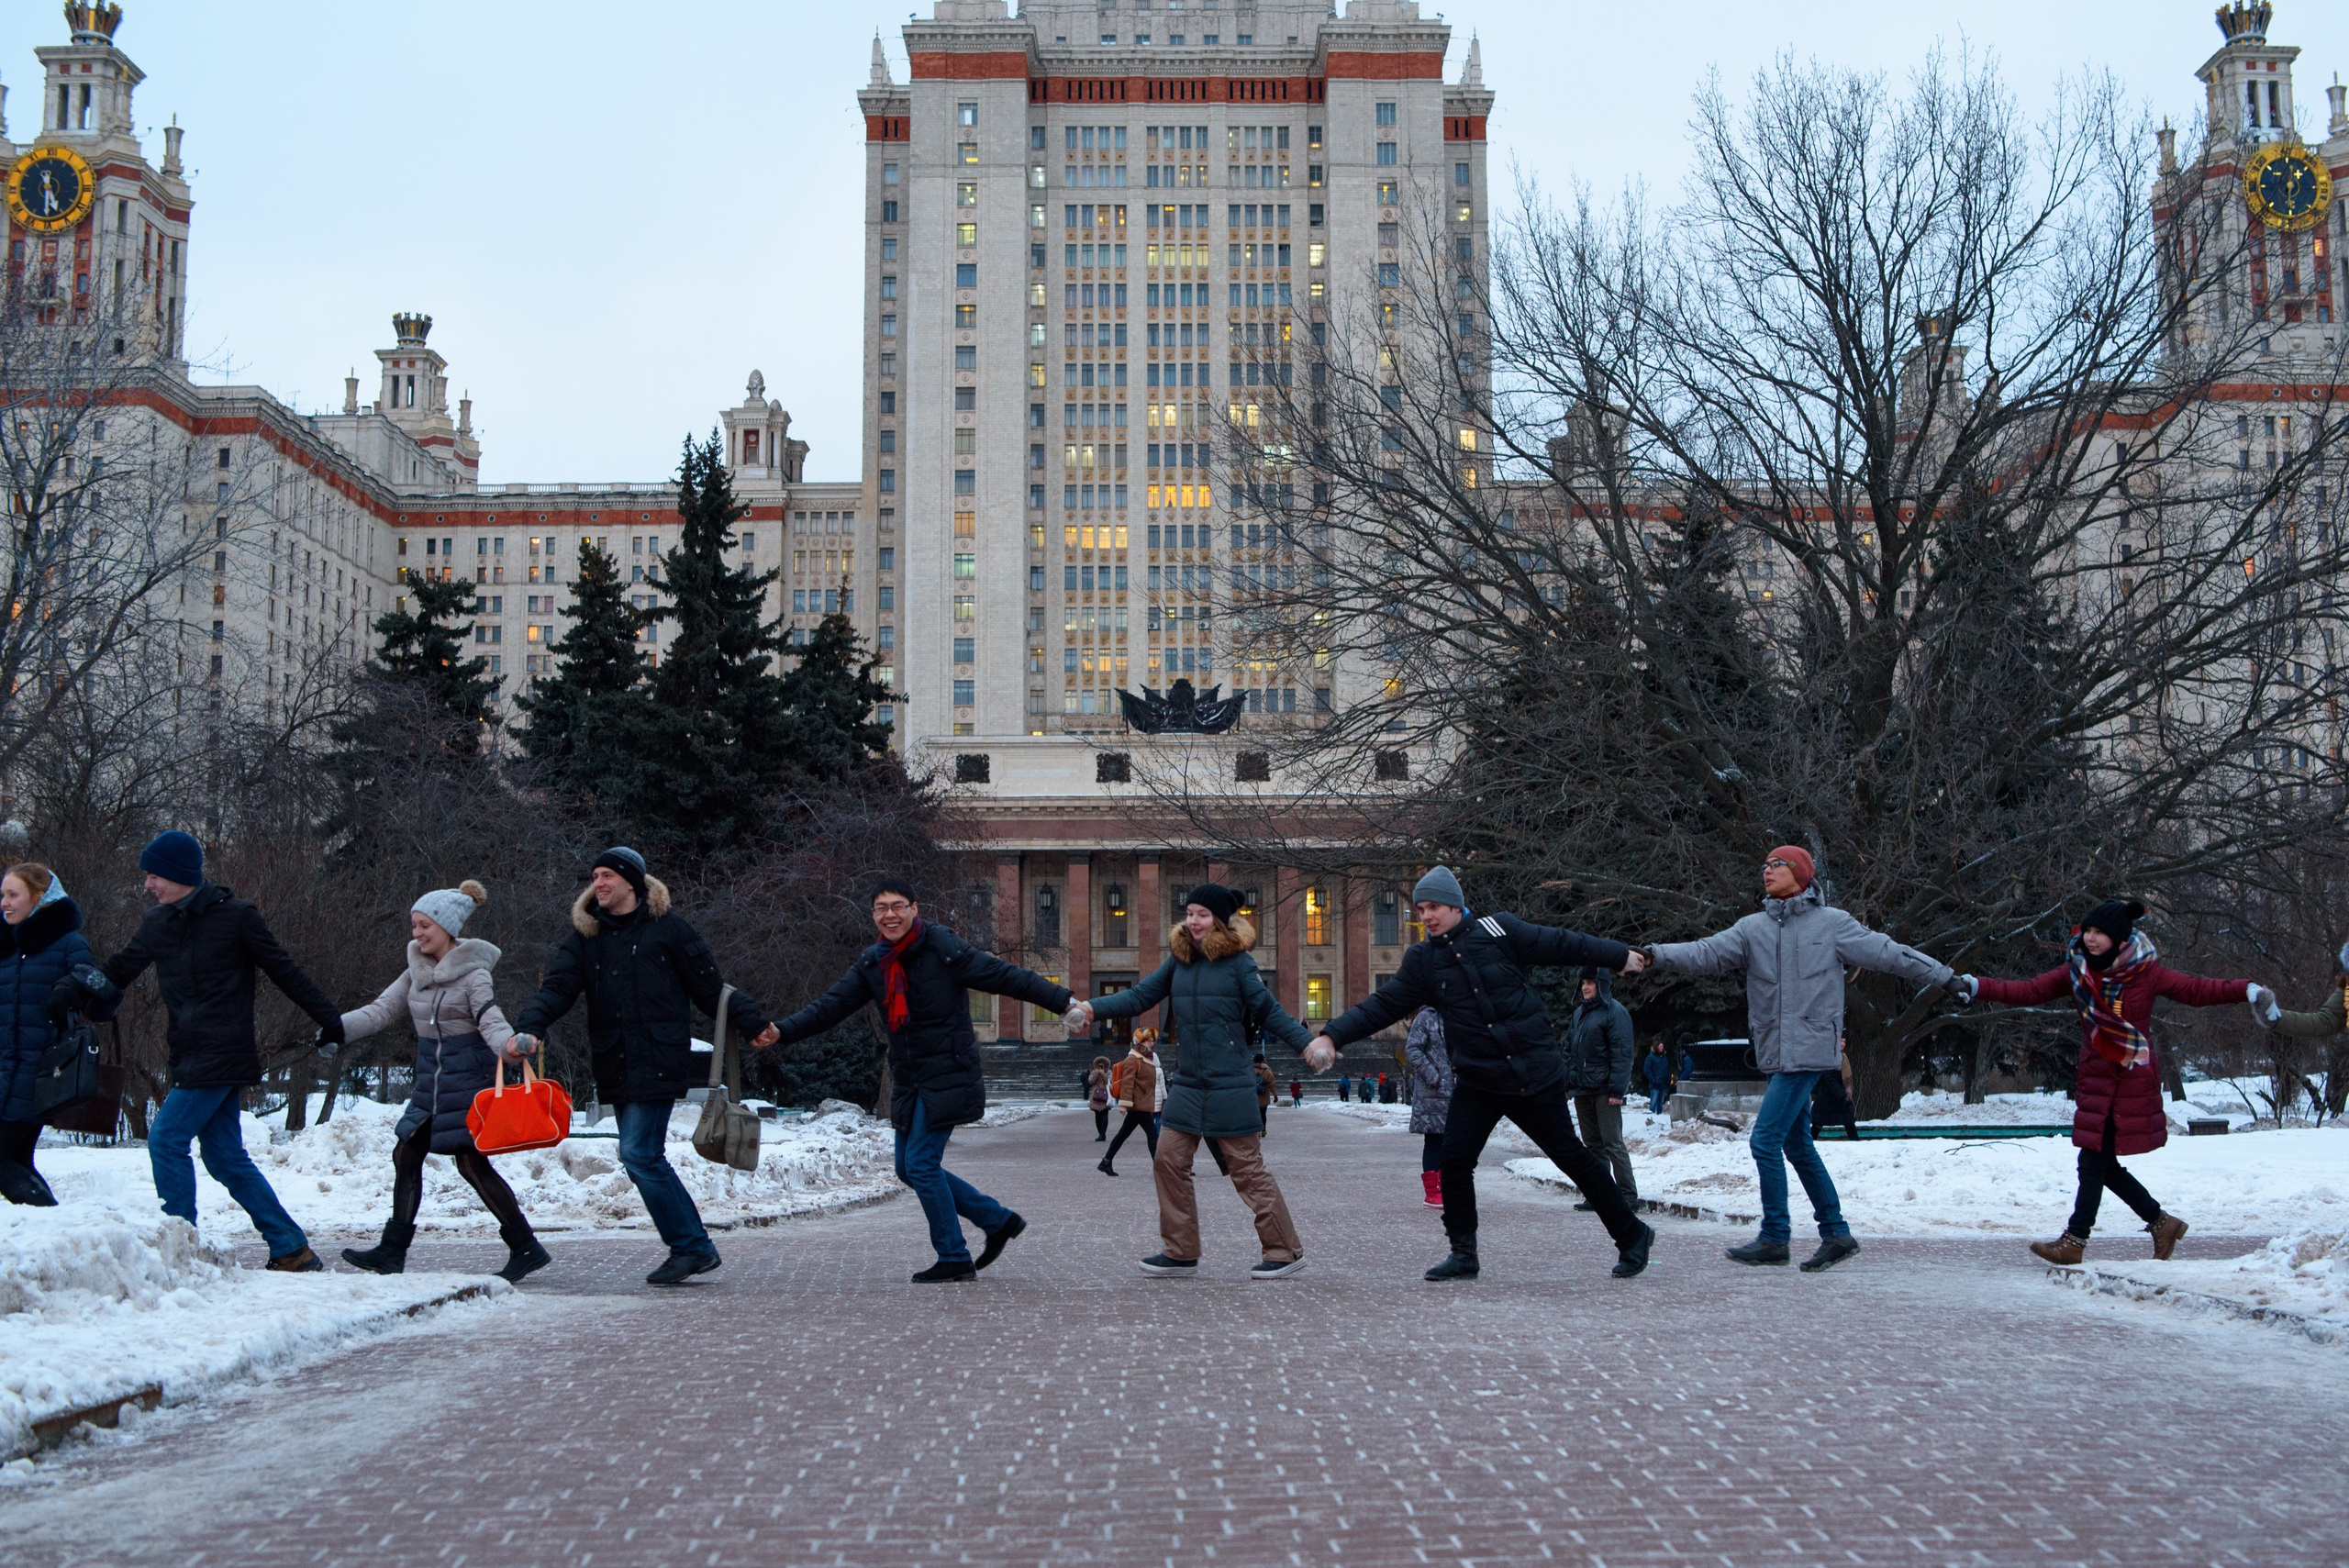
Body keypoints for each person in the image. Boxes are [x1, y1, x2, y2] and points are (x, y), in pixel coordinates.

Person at [1304, 866, 1656, 1283]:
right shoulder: (1423, 961)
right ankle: (1463, 1253)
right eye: (1420, 909)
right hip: (1478, 1080)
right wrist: (1331, 1036)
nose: (1426, 916)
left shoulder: (1498, 931)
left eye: (1433, 906)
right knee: (1454, 1161)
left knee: (1572, 1158)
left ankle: (1633, 1236)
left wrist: (1617, 956)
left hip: (1532, 1073)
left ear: (1455, 905)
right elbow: (1382, 1005)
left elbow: (1563, 943)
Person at [1642, 845, 1952, 1273]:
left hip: (1808, 1051)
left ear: (1801, 873)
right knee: (1796, 1144)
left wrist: (1947, 978)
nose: (1766, 871)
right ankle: (1836, 1233)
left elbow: (1890, 953)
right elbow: (1706, 953)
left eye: (1776, 865)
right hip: (1775, 1052)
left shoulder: (1832, 925)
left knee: (1764, 1140)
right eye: (1763, 864)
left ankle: (1775, 1237)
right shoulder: (1752, 929)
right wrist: (1656, 954)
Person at [773, 877, 1074, 1282]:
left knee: (921, 1164)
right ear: (874, 915)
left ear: (915, 908)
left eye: (898, 906)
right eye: (881, 908)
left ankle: (954, 1256)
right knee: (906, 1168)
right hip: (911, 1077)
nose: (890, 915)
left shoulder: (944, 950)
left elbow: (1006, 976)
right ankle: (996, 1219)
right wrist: (782, 1031)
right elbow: (830, 1007)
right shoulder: (874, 963)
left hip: (948, 1072)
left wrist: (1063, 1003)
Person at [510, 847, 776, 1287]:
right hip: (614, 1057)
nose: (598, 883)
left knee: (639, 1153)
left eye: (607, 876)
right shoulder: (585, 937)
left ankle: (692, 1247)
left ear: (631, 882)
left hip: (657, 1056)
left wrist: (751, 1021)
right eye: (594, 876)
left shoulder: (668, 929)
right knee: (640, 1155)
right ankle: (691, 1245)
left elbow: (710, 987)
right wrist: (531, 1027)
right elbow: (557, 987)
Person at [82, 832, 344, 1271]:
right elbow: (118, 970)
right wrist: (77, 989)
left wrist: (329, 1018)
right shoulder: (157, 923)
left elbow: (284, 970)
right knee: (225, 1157)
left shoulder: (235, 917)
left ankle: (179, 1248)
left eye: (153, 875)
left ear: (180, 874)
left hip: (223, 1052)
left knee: (166, 1139)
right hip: (186, 1052)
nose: (148, 884)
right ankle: (290, 1247)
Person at [1958, 900, 2267, 1265]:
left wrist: (2246, 989)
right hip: (2095, 1080)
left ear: (2119, 939)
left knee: (2093, 1163)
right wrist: (1978, 987)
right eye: (2087, 930)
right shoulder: (2076, 971)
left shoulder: (2147, 974)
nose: (2089, 938)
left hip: (2131, 1082)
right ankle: (2160, 1222)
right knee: (2100, 1165)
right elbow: (2028, 991)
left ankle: (2076, 1240)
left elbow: (2197, 990)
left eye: (2099, 932)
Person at [1072, 884, 1314, 1279]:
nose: (1193, 922)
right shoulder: (1178, 961)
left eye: (1202, 914)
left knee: (1247, 1171)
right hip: (1188, 1083)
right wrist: (1092, 1009)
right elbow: (1139, 996)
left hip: (1230, 1082)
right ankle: (1181, 1251)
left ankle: (1285, 1251)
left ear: (1218, 919)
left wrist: (1308, 1044)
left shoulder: (1240, 964)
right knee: (1167, 1160)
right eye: (1189, 913)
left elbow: (1270, 1012)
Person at [334, 881, 549, 1284]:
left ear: (446, 927)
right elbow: (380, 1011)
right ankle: (392, 1251)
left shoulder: (474, 975)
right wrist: (335, 1029)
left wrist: (511, 1046)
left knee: (469, 1162)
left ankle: (525, 1246)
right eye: (413, 926)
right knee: (407, 1153)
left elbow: (491, 1020)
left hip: (467, 1080)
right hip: (430, 1084)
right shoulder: (416, 970)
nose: (416, 934)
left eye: (424, 926)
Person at [0, 865, 114, 1207]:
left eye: (13, 895)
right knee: (17, 1162)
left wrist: (76, 988)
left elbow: (104, 1001)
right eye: (2, 895)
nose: (4, 903)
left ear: (40, 898)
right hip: (5, 1070)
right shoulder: (5, 948)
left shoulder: (68, 944)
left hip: (43, 1071)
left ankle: (50, 1222)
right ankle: (52, 1229)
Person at [1564, 967, 1639, 1210]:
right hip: (1583, 1090)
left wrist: (1617, 1091)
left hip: (1606, 1091)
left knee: (1612, 1144)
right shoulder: (1578, 1014)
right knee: (1593, 1146)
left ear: (1602, 984)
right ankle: (1599, 1195)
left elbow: (1622, 1053)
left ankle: (1628, 1197)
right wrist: (1568, 1083)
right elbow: (1569, 1051)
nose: (1585, 987)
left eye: (1590, 982)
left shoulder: (1615, 1013)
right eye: (1583, 982)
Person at [1403, 1006, 1453, 1209]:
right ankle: (1433, 1193)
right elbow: (1412, 1049)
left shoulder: (1461, 1013)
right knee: (1434, 1141)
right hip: (1433, 1094)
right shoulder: (1426, 1018)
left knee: (1455, 1144)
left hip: (1458, 1093)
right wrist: (1433, 1076)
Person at [1101, 1029, 1163, 1176]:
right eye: (1149, 1040)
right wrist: (1124, 1104)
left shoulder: (1147, 1058)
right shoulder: (1132, 1059)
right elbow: (1127, 1083)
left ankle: (1106, 1161)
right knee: (1153, 1134)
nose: (1152, 1043)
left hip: (1141, 1103)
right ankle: (1161, 1170)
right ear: (1140, 1042)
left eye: (1153, 1040)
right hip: (1137, 1104)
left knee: (1123, 1134)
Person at [1809, 1036, 1861, 1142]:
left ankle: (1857, 1144)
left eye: (1844, 1041)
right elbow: (1828, 1077)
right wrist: (1841, 1094)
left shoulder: (1843, 1057)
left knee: (1849, 1122)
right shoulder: (1829, 1056)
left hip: (1838, 1097)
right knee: (1818, 1124)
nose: (1842, 1044)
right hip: (1826, 1097)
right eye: (1840, 1041)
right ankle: (1806, 1144)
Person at [1642, 1040, 1673, 1117]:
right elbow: (1647, 1069)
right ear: (1656, 1047)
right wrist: (1653, 1080)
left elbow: (1667, 1069)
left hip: (1663, 1083)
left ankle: (1659, 1116)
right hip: (1655, 1083)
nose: (1662, 1048)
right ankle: (1650, 1117)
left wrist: (1669, 1079)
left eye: (1662, 1046)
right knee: (1654, 1101)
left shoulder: (1664, 1057)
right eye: (1660, 1046)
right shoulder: (1650, 1057)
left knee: (1661, 1102)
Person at [1087, 1053, 1113, 1141]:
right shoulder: (1094, 1072)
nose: (1101, 1067)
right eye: (1099, 1065)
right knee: (1097, 1117)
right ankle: (1100, 1133)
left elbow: (1109, 1081)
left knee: (1104, 1115)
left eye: (1103, 1065)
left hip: (1105, 1097)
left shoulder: (1109, 1072)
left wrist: (1103, 1074)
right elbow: (1090, 1081)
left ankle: (1103, 1134)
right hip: (1096, 1097)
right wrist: (1096, 1074)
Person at [1252, 1052, 1277, 1136]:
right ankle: (1263, 1130)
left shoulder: (1250, 1070)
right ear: (1263, 1061)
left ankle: (1255, 1130)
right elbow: (1272, 1084)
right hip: (1263, 1096)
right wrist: (1275, 1095)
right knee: (1263, 1114)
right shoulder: (1267, 1071)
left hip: (1252, 1096)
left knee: (1255, 1114)